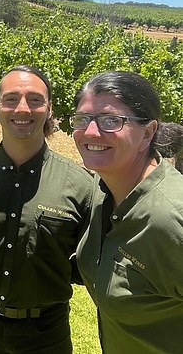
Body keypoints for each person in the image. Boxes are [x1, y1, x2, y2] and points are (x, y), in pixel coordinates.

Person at [0, 64, 94, 354]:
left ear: (49, 109)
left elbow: (84, 258)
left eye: (35, 100)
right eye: (11, 99)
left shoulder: (79, 185)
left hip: (45, 330)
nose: (22, 109)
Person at [71, 71, 183, 353]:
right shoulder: (103, 190)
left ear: (147, 133)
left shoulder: (171, 219)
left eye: (112, 121)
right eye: (82, 119)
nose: (91, 132)